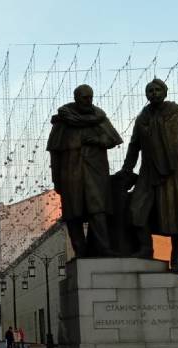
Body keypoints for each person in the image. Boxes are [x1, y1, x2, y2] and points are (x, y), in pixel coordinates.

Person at [120, 79, 178, 273]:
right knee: (136, 211)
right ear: (146, 95)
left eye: (158, 90)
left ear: (165, 92)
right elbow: (134, 146)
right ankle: (146, 248)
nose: (154, 93)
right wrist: (126, 170)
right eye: (150, 91)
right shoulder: (142, 118)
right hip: (148, 173)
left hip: (176, 174)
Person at [47, 84, 124, 257]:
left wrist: (98, 140)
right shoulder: (62, 122)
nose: (88, 101)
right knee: (73, 214)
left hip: (95, 172)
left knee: (98, 210)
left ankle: (104, 248)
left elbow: (113, 139)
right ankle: (80, 251)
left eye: (90, 97)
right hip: (70, 173)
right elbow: (54, 153)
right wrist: (56, 179)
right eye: (84, 98)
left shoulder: (98, 117)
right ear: (76, 98)